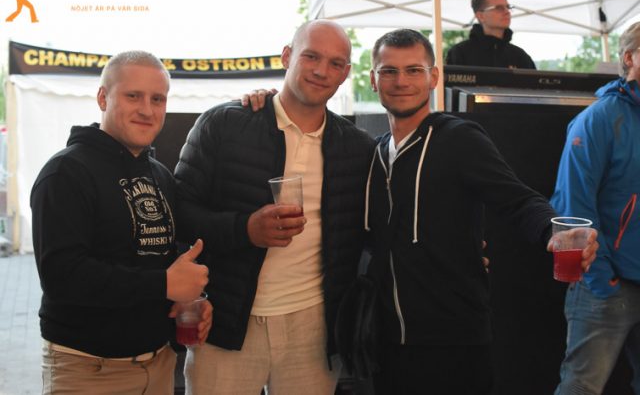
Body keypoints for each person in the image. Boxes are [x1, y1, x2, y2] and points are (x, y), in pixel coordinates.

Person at [364, 28, 597, 394]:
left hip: (453, 339)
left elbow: (517, 198)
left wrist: (554, 231)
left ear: (433, 77)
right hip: (386, 342)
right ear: (373, 80)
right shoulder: (375, 153)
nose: (401, 81)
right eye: (389, 71)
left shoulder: (458, 138)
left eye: (414, 70)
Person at [174, 20, 375, 394]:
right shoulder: (224, 124)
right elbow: (179, 213)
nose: (321, 71)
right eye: (311, 56)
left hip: (314, 329)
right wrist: (245, 229)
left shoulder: (358, 148)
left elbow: (374, 230)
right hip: (228, 320)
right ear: (287, 56)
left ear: (346, 73)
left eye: (335, 63)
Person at [31, 50, 212, 395]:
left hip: (158, 365)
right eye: (133, 96)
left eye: (157, 99)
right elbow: (62, 277)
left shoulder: (160, 175)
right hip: (88, 370)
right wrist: (163, 284)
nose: (147, 110)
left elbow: (157, 261)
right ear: (103, 98)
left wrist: (188, 299)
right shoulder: (65, 172)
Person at [551, 22, 640, 395]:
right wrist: (603, 280)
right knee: (581, 387)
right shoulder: (599, 118)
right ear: (629, 58)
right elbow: (573, 205)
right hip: (607, 287)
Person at [446, 0, 535, 69]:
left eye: (508, 7)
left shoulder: (520, 57)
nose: (507, 12)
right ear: (481, 16)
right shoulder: (460, 53)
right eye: (499, 8)